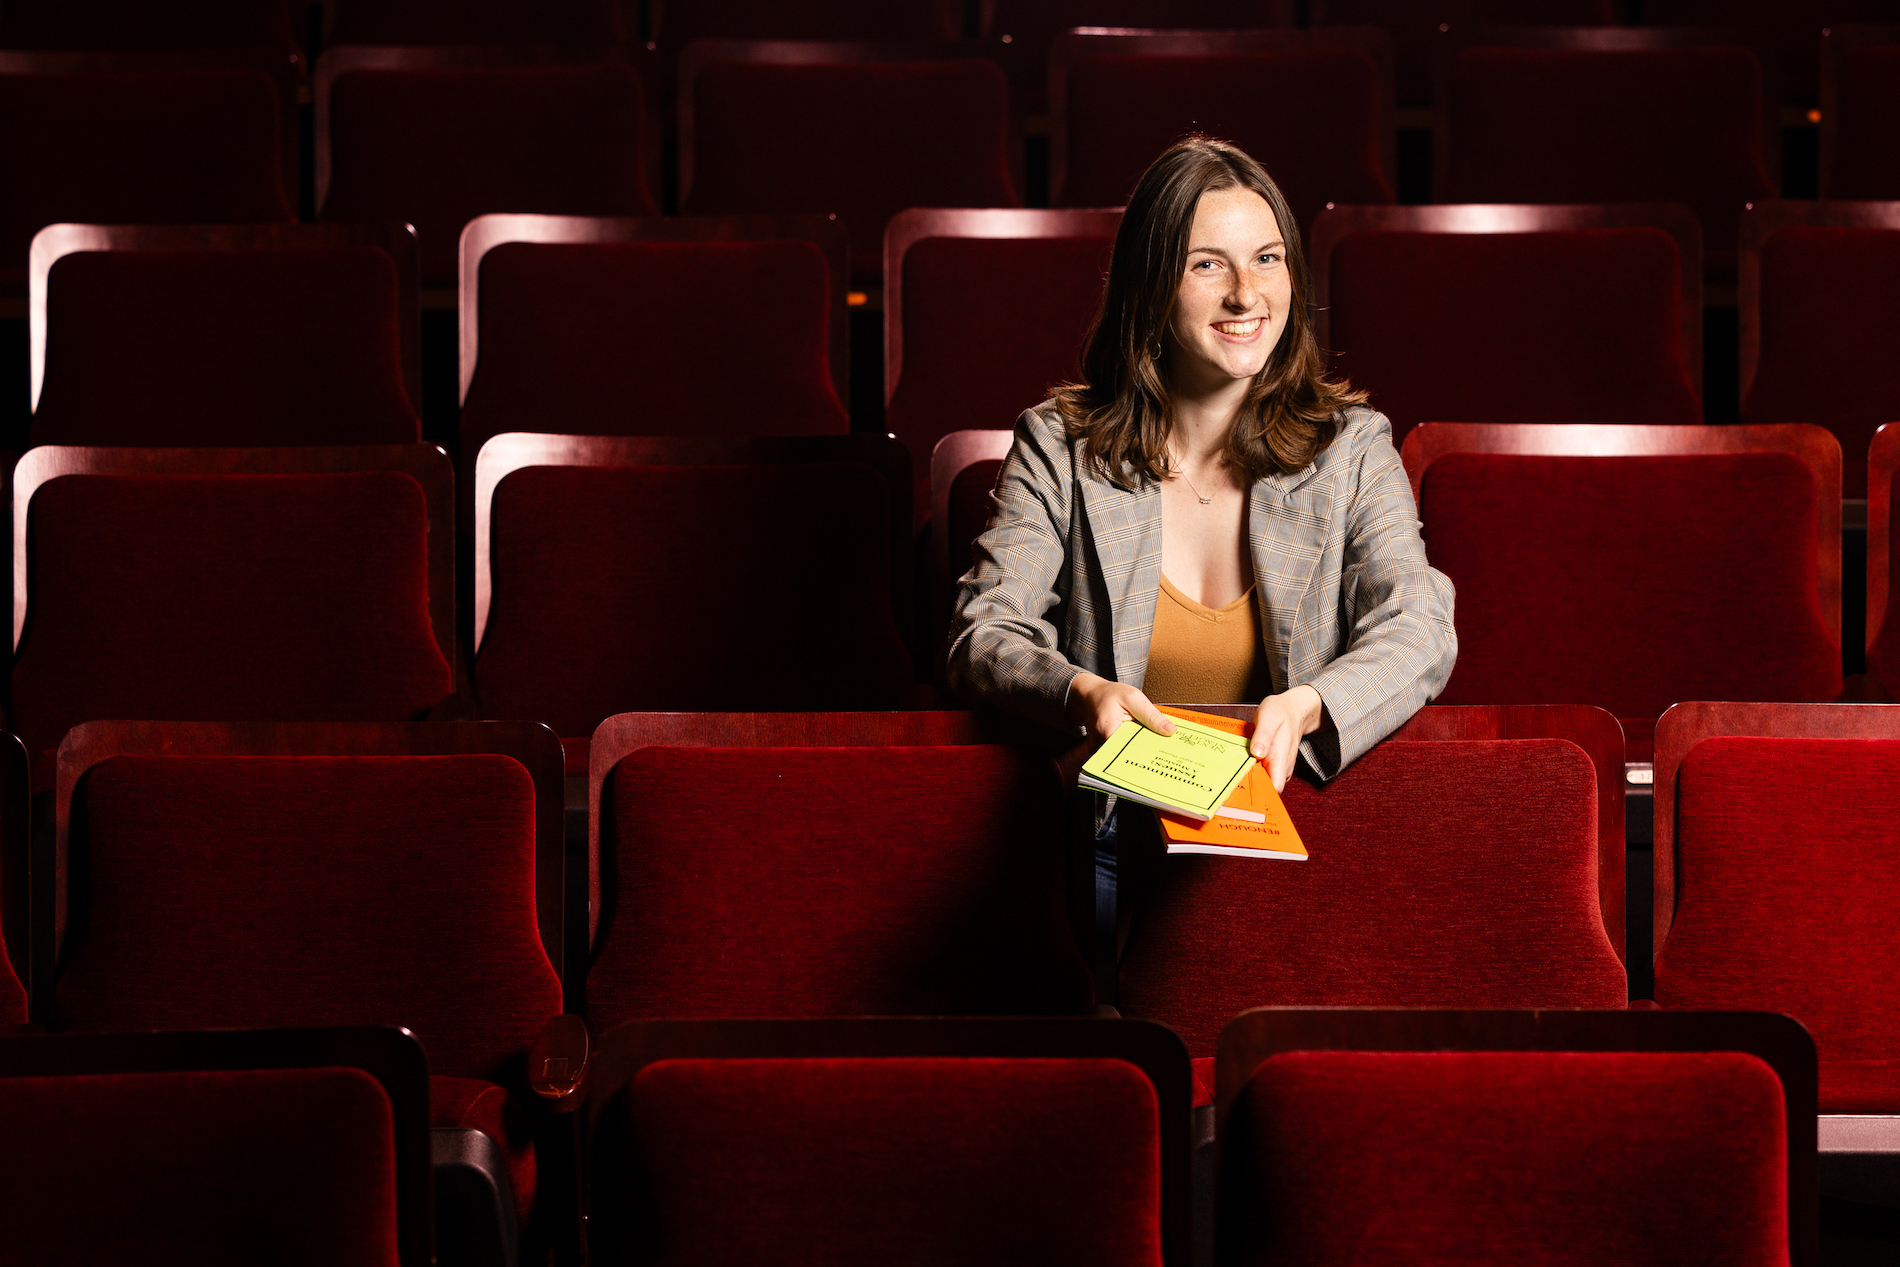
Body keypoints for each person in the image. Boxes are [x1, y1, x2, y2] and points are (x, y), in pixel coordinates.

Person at [947, 137, 1457, 792]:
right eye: (1209, 265)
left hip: (1300, 827)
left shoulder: (1352, 448)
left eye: (1267, 259)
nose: (1246, 295)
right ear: (1151, 282)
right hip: (1109, 844)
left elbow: (1418, 626)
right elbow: (986, 629)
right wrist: (1082, 693)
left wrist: (1311, 706)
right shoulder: (1059, 446)